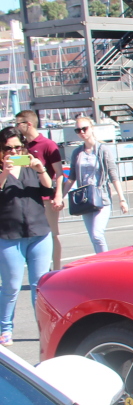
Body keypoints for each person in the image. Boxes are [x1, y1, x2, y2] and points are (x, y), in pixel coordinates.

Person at [0, 125, 53, 346]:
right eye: (8, 148)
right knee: (11, 286)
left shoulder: (30, 167)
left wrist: (41, 169)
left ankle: (44, 330)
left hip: (38, 232)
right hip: (9, 235)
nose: (14, 152)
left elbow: (48, 190)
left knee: (39, 286)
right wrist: (4, 171)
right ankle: (5, 328)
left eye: (18, 147)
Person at [66, 118, 127, 253]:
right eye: (78, 130)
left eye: (84, 128)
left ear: (92, 128)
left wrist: (122, 199)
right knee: (93, 238)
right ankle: (101, 262)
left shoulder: (103, 149)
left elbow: (113, 174)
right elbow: (71, 177)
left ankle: (106, 263)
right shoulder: (77, 152)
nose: (82, 132)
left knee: (97, 234)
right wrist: (60, 196)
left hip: (102, 197)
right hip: (85, 198)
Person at [13, 110, 63, 271]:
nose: (16, 127)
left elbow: (59, 173)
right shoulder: (21, 146)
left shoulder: (47, 144)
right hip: (30, 198)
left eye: (18, 123)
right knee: (34, 235)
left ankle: (55, 269)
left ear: (28, 124)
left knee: (52, 234)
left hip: (47, 197)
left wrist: (59, 195)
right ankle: (40, 267)